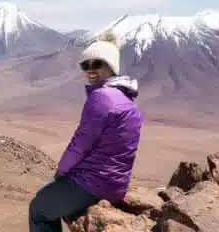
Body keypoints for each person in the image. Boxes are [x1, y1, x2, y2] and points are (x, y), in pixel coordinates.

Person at [28, 32, 143, 232]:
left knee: (38, 209)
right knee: (48, 196)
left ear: (111, 66)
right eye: (85, 65)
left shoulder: (102, 98)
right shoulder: (126, 100)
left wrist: (61, 171)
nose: (90, 70)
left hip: (93, 183)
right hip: (115, 183)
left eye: (97, 63)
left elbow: (81, 143)